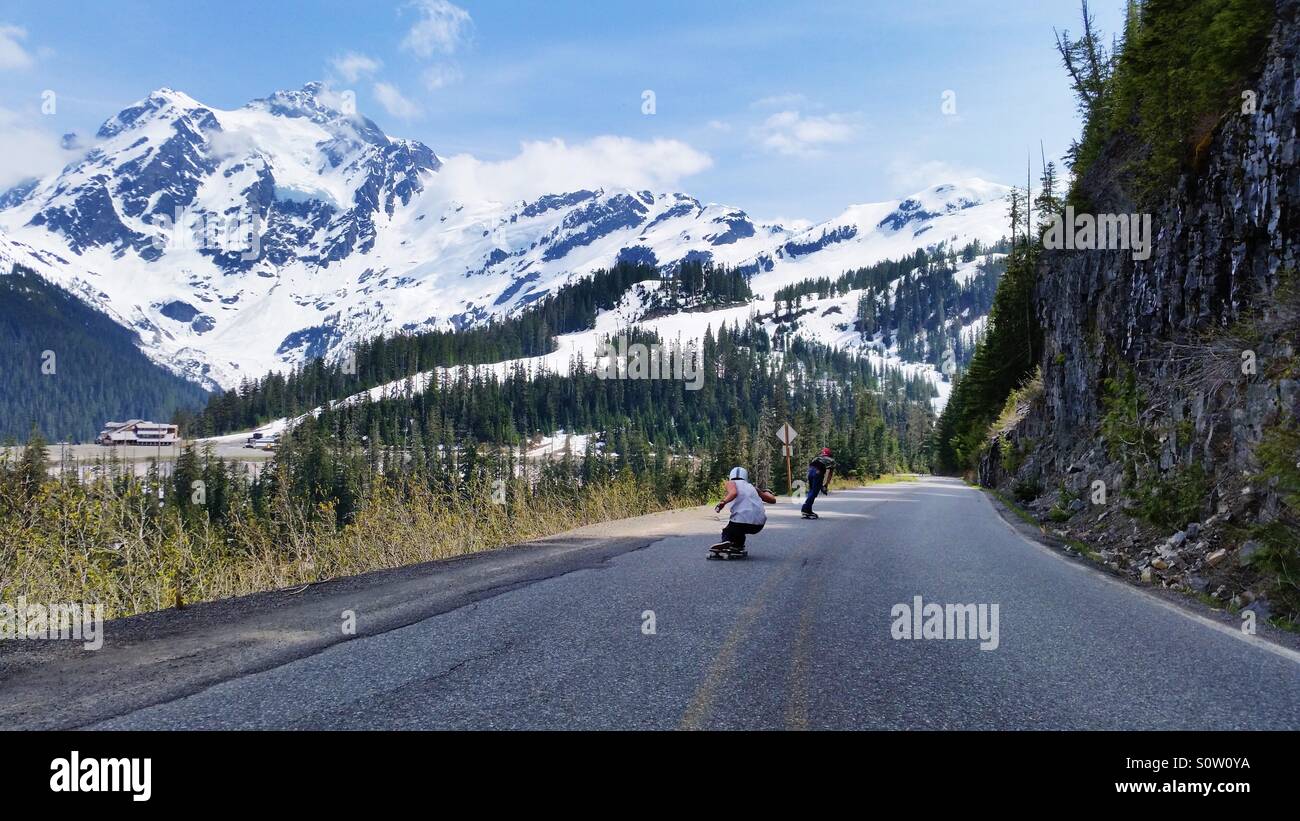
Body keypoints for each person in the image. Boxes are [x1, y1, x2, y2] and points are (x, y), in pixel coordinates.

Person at [714, 467, 777, 551]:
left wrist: (723, 502)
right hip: (758, 525)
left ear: (730, 476)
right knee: (739, 529)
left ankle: (726, 541)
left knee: (728, 530)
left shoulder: (731, 482)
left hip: (740, 523)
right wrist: (766, 492)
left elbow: (734, 493)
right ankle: (738, 545)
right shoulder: (752, 488)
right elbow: (772, 500)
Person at [802, 447, 836, 519]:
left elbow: (811, 466)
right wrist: (825, 485)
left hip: (810, 472)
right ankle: (805, 509)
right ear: (829, 454)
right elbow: (829, 473)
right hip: (818, 472)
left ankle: (808, 510)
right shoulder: (831, 460)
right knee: (814, 492)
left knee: (811, 491)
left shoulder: (816, 458)